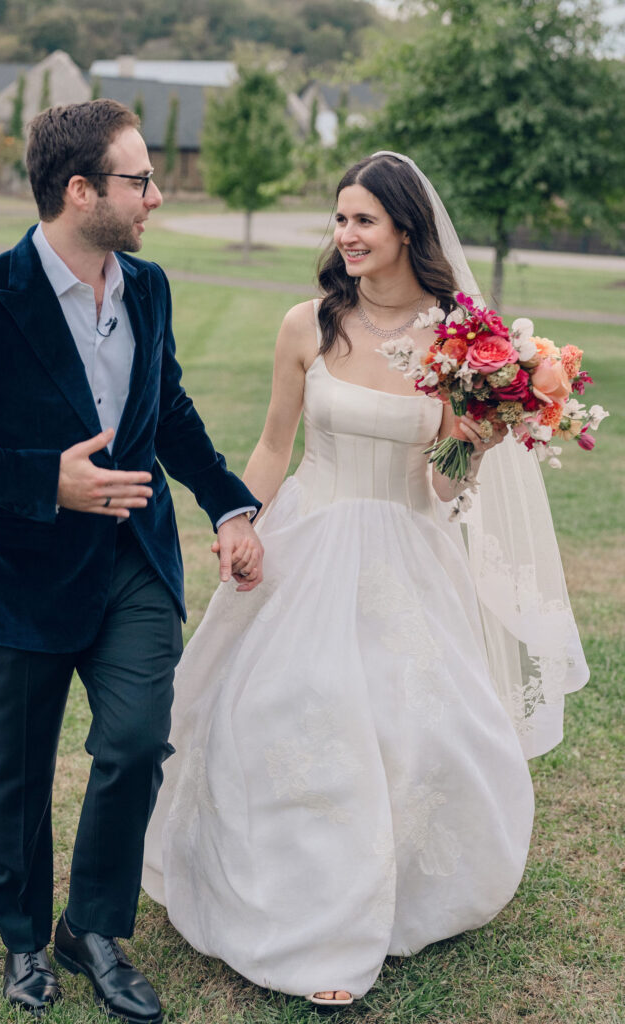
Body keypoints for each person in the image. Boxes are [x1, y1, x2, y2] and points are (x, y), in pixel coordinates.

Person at [142, 152, 588, 1004]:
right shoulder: (305, 324)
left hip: (409, 550)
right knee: (291, 712)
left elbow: (444, 485)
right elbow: (275, 445)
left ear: (406, 231)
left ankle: (395, 894)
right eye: (340, 219)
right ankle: (308, 914)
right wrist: (244, 521)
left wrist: (479, 441)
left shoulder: (461, 339)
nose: (345, 235)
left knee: (415, 729)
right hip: (310, 536)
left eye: (363, 221)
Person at [0, 99, 263, 1021]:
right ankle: (23, 940)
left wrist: (230, 502)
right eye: (140, 180)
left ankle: (92, 926)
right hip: (18, 572)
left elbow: (166, 411)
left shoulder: (150, 286)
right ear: (79, 189)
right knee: (16, 767)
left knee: (135, 742)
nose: (157, 197)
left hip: (133, 558)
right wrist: (40, 482)